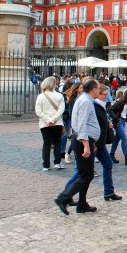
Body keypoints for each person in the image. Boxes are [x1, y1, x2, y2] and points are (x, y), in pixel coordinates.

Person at [54, 78, 101, 215]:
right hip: (82, 141)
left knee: (85, 174)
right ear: (93, 89)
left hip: (84, 140)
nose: (99, 90)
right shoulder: (86, 101)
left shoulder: (84, 99)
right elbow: (82, 124)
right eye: (98, 88)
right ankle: (63, 198)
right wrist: (86, 145)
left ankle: (82, 203)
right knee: (86, 175)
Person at [93, 84, 122, 201]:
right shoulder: (94, 105)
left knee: (108, 164)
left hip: (100, 143)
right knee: (83, 172)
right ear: (98, 93)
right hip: (94, 142)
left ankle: (109, 192)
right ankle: (65, 196)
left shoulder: (101, 105)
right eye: (105, 95)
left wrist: (107, 123)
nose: (107, 97)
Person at [35, 77, 65, 171]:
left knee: (46, 144)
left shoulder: (40, 96)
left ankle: (46, 165)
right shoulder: (59, 96)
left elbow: (38, 111)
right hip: (57, 123)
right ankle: (57, 162)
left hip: (45, 123)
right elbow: (61, 109)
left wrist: (48, 120)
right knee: (57, 142)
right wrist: (53, 119)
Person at [108, 89, 127, 166]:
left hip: (122, 121)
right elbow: (110, 110)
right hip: (118, 122)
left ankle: (111, 155)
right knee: (124, 138)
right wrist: (116, 119)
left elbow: (124, 113)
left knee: (117, 139)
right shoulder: (120, 102)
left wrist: (126, 119)